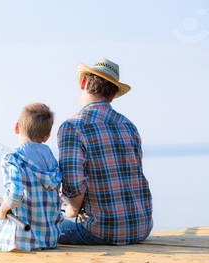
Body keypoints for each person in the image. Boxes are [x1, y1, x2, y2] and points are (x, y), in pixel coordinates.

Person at [58, 58, 153, 246]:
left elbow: (73, 183)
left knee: (36, 225)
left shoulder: (73, 126)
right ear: (113, 94)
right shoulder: (128, 125)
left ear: (84, 83)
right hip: (142, 228)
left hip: (100, 231)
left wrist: (72, 210)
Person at [0, 103, 62, 251]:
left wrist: (1, 211)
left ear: (16, 127)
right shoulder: (51, 159)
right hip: (48, 239)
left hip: (21, 239)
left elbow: (15, 195)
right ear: (47, 137)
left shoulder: (12, 158)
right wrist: (2, 202)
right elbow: (33, 196)